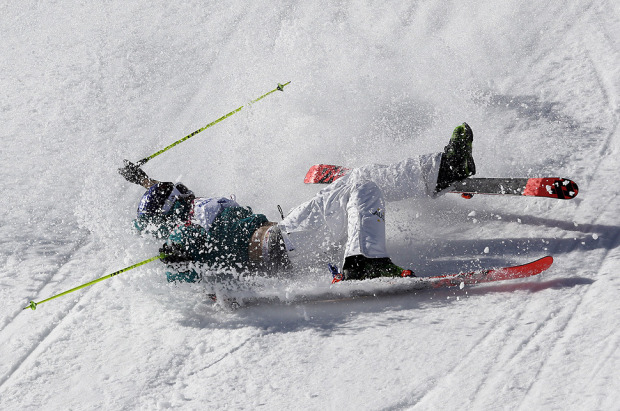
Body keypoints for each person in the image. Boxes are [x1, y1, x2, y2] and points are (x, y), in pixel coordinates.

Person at [119, 123, 475, 282]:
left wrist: (140, 178)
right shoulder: (188, 229)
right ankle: (365, 260)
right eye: (173, 192)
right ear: (170, 207)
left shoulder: (189, 211)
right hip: (285, 243)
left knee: (362, 184)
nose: (181, 189)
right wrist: (177, 253)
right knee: (359, 183)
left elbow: (158, 195)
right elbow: (186, 257)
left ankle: (441, 170)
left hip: (297, 244)